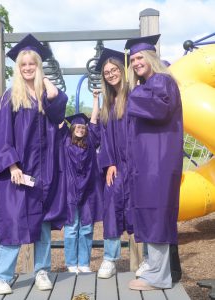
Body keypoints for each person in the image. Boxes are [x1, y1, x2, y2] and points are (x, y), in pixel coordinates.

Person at [0, 34, 68, 295]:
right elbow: (1, 135)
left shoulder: (46, 93)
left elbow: (59, 116)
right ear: (18, 68)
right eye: (23, 65)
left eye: (32, 63)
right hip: (20, 172)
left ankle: (42, 271)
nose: (27, 68)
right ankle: (0, 275)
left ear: (38, 65)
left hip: (45, 172)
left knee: (43, 223)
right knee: (15, 223)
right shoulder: (12, 96)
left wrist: (52, 91)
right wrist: (11, 165)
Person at [125, 34, 183, 290]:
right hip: (149, 162)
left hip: (158, 161)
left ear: (151, 57)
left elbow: (159, 109)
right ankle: (152, 267)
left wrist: (134, 93)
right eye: (133, 59)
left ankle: (159, 277)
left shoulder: (161, 80)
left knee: (157, 212)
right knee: (149, 211)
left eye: (140, 57)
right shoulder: (151, 83)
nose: (136, 62)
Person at [93, 48, 133, 279]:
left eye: (114, 70)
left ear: (122, 70)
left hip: (136, 166)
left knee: (141, 210)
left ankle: (147, 257)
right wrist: (108, 163)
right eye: (106, 72)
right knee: (111, 210)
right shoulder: (109, 102)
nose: (110, 74)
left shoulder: (135, 96)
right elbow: (105, 137)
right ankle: (110, 259)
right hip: (116, 166)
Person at [59, 107, 103, 274]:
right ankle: (71, 263)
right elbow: (59, 122)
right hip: (70, 191)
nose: (80, 129)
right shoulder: (65, 142)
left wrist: (95, 99)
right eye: (77, 127)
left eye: (83, 127)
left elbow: (93, 122)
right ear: (72, 129)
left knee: (86, 227)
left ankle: (84, 263)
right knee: (71, 228)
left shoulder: (90, 143)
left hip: (88, 192)